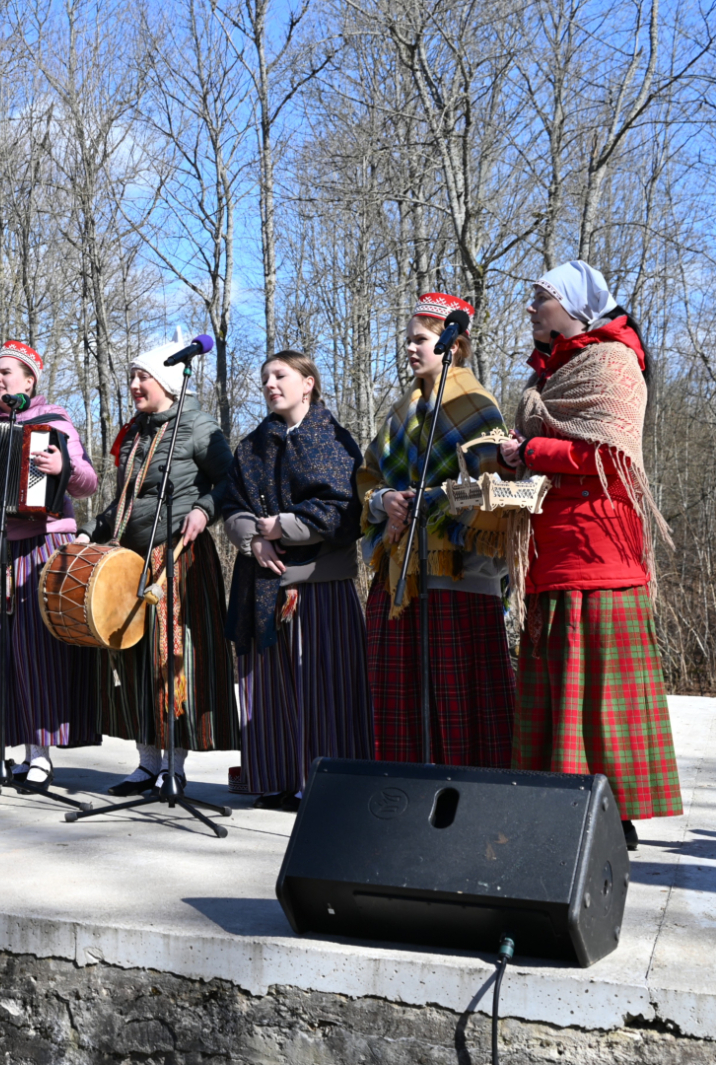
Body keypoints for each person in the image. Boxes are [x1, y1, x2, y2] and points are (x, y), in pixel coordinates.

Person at [498, 260, 680, 849]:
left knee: (601, 689)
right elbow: (553, 447)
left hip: (601, 549)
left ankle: (616, 813)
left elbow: (609, 457)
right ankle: (564, 800)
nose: (530, 310)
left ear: (574, 309)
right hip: (552, 547)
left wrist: (534, 449)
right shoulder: (548, 375)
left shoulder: (613, 363)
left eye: (539, 300)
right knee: (559, 684)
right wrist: (514, 457)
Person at [357, 294, 517, 769]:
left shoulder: (475, 403)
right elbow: (367, 475)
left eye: (421, 339)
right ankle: (402, 790)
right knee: (400, 699)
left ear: (454, 344)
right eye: (407, 340)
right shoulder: (401, 410)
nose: (410, 348)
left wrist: (427, 503)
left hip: (459, 575)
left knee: (458, 702)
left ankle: (471, 800)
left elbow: (494, 490)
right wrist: (384, 501)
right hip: (399, 571)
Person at [0, 340, 103, 784]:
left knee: (38, 649)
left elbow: (87, 483)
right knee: (2, 647)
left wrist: (60, 465)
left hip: (41, 546)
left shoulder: (55, 421)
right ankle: (15, 746)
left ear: (30, 380)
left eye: (7, 372)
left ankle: (42, 751)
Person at [79, 343, 237, 796]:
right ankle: (147, 765)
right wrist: (91, 531)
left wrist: (206, 508)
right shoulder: (135, 433)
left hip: (178, 559)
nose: (133, 386)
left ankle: (175, 766)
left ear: (165, 382)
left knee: (171, 658)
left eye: (140, 377)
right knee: (132, 658)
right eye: (131, 377)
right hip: (130, 560)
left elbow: (231, 480)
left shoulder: (197, 425)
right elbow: (125, 500)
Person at [223, 352, 369, 811]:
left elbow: (345, 511)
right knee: (269, 690)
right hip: (262, 583)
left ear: (308, 383)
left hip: (319, 586)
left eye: (280, 375)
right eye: (265, 377)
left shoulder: (333, 440)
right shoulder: (251, 446)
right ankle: (277, 778)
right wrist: (253, 540)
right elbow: (231, 504)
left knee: (323, 688)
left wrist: (280, 527)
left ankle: (322, 783)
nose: (270, 383)